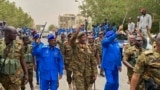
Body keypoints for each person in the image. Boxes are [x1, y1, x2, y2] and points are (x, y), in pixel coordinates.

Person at [70, 25, 92, 90]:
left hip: (87, 72)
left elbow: (92, 60)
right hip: (78, 71)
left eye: (85, 37)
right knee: (80, 88)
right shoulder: (75, 46)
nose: (84, 38)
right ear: (78, 38)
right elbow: (72, 39)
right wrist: (78, 30)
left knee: (86, 88)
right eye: (82, 37)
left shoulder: (88, 46)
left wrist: (94, 72)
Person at [101, 25, 123, 90]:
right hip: (108, 66)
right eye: (113, 36)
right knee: (110, 82)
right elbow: (108, 40)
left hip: (115, 66)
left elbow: (118, 55)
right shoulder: (105, 43)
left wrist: (119, 65)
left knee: (116, 83)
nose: (115, 37)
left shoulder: (116, 44)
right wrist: (117, 33)